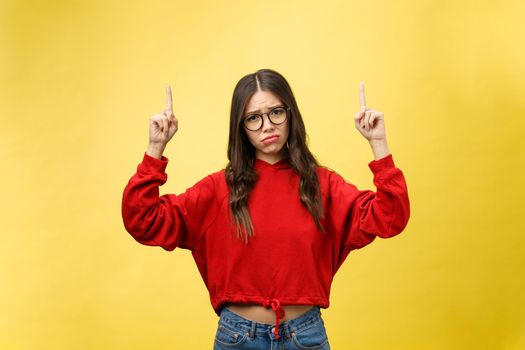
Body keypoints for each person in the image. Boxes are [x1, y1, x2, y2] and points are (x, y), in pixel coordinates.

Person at [121, 69, 410, 349]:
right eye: (253, 118)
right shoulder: (218, 189)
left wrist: (379, 144)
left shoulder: (324, 186)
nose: (267, 125)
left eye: (275, 112)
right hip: (238, 338)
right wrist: (155, 148)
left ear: (289, 115)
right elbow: (143, 220)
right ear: (241, 127)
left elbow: (391, 216)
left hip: (305, 336)